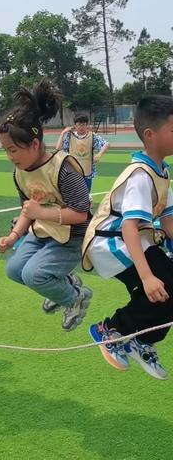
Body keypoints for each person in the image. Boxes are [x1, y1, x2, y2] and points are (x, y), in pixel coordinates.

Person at [84, 95, 173, 380]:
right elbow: (128, 227)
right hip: (111, 243)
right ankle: (111, 329)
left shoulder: (161, 172)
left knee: (168, 286)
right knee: (160, 284)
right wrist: (146, 277)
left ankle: (142, 341)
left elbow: (169, 220)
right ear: (150, 135)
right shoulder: (140, 175)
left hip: (133, 240)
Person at [0, 79, 92, 332]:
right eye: (6, 151)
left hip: (69, 237)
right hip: (42, 233)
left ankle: (75, 298)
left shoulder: (62, 168)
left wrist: (41, 213)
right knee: (15, 270)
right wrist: (13, 235)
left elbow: (81, 214)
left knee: (33, 275)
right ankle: (62, 285)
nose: (10, 157)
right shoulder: (20, 173)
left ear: (35, 145)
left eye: (14, 150)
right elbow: (28, 211)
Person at [56, 114, 109, 192]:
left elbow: (106, 144)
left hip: (87, 172)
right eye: (79, 125)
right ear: (75, 126)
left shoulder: (92, 136)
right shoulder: (69, 136)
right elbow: (58, 148)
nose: (81, 127)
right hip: (72, 172)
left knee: (86, 194)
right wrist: (63, 133)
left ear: (87, 125)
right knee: (73, 195)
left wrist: (99, 154)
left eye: (84, 125)